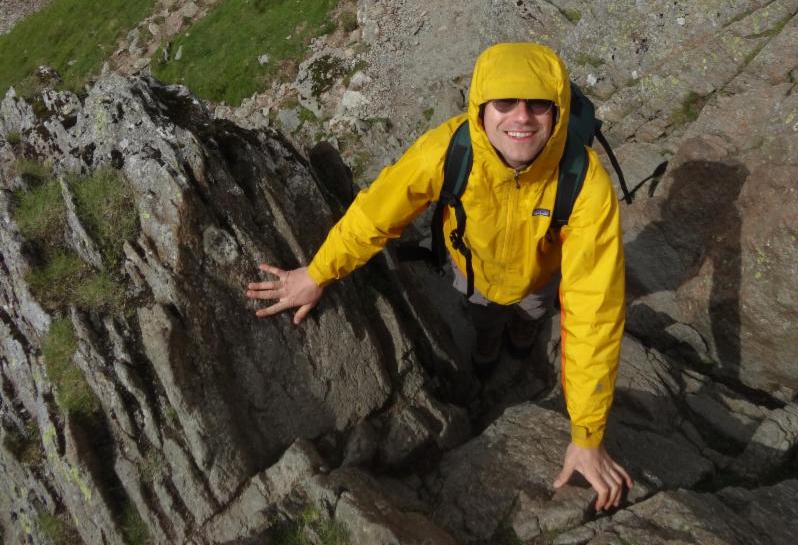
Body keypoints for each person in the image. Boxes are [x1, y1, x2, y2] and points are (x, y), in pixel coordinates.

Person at [246, 42, 634, 510]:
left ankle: (518, 342)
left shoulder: (584, 182)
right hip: (470, 274)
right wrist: (318, 272)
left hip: (539, 278)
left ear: (558, 111)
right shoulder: (449, 151)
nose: (521, 117)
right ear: (481, 108)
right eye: (505, 103)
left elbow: (594, 309)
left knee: (530, 312)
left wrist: (587, 434)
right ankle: (495, 350)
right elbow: (376, 213)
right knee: (484, 319)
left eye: (538, 105)